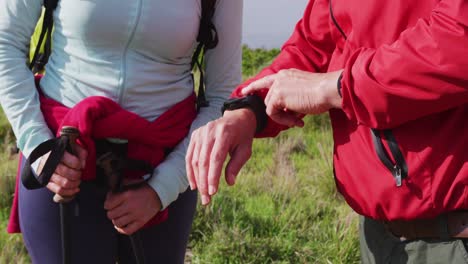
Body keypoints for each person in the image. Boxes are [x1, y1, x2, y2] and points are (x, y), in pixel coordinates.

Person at [186, 0, 468, 263]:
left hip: (454, 235)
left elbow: (457, 41)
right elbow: (315, 46)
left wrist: (337, 88)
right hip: (379, 236)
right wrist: (249, 109)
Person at [0, 0, 243, 263]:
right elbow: (5, 42)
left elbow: (223, 96)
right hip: (60, 154)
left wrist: (162, 188)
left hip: (167, 160)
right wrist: (37, 145)